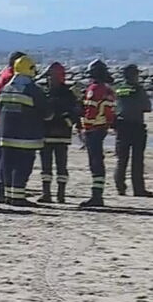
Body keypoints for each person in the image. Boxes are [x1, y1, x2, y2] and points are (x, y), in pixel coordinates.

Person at [0, 55, 49, 207]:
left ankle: (8, 196)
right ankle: (18, 197)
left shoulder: (6, 88)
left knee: (8, 165)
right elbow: (46, 113)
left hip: (6, 135)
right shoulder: (33, 90)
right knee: (23, 166)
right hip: (26, 137)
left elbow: (0, 108)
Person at [39, 63, 81, 204]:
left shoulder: (68, 94)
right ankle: (46, 194)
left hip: (61, 135)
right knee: (46, 167)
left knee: (61, 166)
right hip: (46, 134)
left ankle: (61, 194)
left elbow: (76, 112)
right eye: (49, 77)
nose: (50, 80)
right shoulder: (45, 92)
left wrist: (65, 122)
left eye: (52, 77)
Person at [80, 59, 116, 208]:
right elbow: (110, 114)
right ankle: (98, 194)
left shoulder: (93, 89)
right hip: (102, 129)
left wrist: (84, 129)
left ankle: (96, 196)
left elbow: (90, 112)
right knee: (98, 162)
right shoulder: (108, 90)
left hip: (92, 130)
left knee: (95, 163)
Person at [0, 51, 27, 203]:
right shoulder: (9, 78)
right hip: (5, 123)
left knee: (2, 158)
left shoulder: (4, 76)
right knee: (5, 159)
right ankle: (1, 191)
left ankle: (0, 190)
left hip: (1, 121)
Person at [114, 64, 152, 197]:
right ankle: (138, 189)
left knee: (121, 159)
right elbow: (147, 107)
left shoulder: (118, 89)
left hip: (121, 126)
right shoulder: (138, 89)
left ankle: (120, 186)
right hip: (136, 126)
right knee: (137, 160)